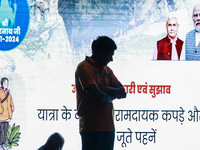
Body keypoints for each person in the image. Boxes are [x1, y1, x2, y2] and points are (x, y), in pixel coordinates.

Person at [75, 36, 126, 150]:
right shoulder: (84, 67)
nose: (111, 59)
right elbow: (97, 96)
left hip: (108, 127)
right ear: (101, 51)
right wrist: (112, 95)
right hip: (91, 127)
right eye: (110, 55)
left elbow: (123, 93)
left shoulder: (107, 70)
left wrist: (105, 89)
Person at [0, 77, 14, 149]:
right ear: (2, 83)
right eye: (5, 83)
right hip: (2, 115)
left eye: (7, 83)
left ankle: (4, 144)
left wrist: (12, 109)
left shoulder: (8, 93)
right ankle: (0, 144)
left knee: (5, 130)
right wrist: (1, 111)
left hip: (7, 115)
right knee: (1, 130)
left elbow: (11, 102)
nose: (6, 84)